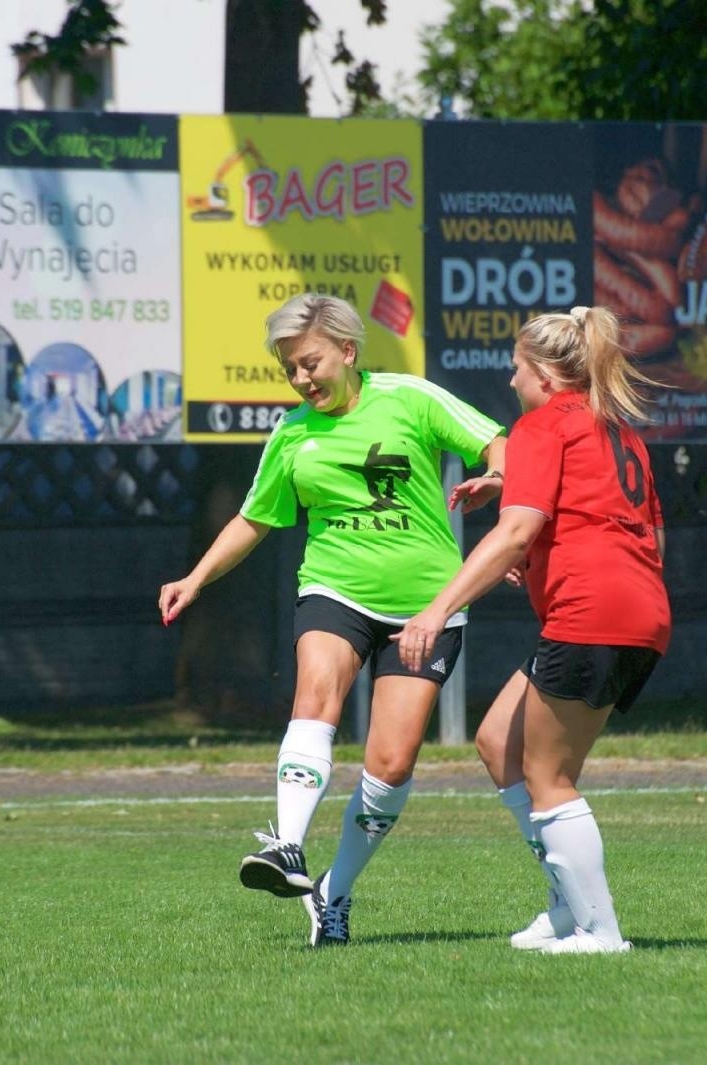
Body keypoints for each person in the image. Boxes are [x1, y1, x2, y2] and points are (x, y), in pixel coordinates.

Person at [158, 293, 507, 947]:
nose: (302, 379)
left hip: (428, 604)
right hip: (335, 588)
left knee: (392, 763)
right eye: (290, 369)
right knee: (315, 693)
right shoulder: (292, 434)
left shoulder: (411, 398)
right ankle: (286, 844)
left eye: (310, 362)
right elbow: (254, 517)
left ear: (348, 350)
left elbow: (499, 441)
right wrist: (195, 578)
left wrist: (498, 479)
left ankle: (333, 890)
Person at [393, 306, 670, 954]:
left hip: (591, 612)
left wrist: (436, 609)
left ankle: (601, 932)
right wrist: (536, 546)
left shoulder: (542, 424)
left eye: (517, 368)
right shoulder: (618, 432)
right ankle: (567, 907)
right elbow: (641, 531)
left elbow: (516, 528)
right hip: (639, 609)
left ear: (545, 373)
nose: (512, 379)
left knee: (549, 775)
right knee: (497, 741)